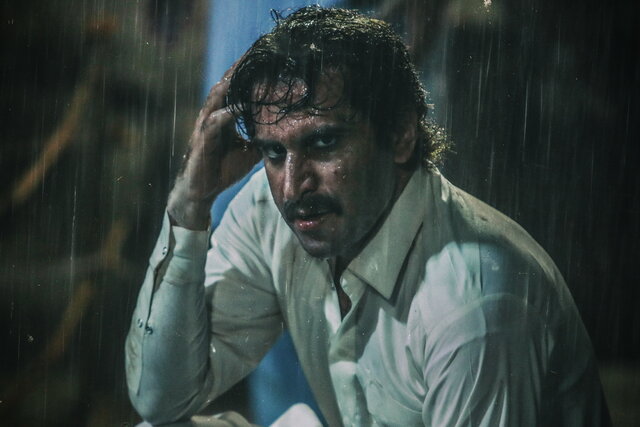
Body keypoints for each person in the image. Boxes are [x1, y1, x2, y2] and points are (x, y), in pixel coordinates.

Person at [125, 6, 609, 426]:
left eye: (323, 142)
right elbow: (161, 399)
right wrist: (188, 205)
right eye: (274, 152)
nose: (292, 187)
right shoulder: (270, 211)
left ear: (400, 133)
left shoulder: (473, 301)